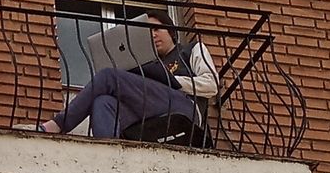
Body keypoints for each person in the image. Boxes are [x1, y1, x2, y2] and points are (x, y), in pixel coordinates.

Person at [40, 10, 218, 138]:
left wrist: (173, 82)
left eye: (156, 29)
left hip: (186, 108)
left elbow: (211, 85)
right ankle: (109, 154)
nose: (152, 35)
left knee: (108, 76)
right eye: (147, 32)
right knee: (103, 102)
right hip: (151, 113)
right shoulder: (146, 63)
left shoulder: (191, 50)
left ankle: (58, 124)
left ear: (171, 32)